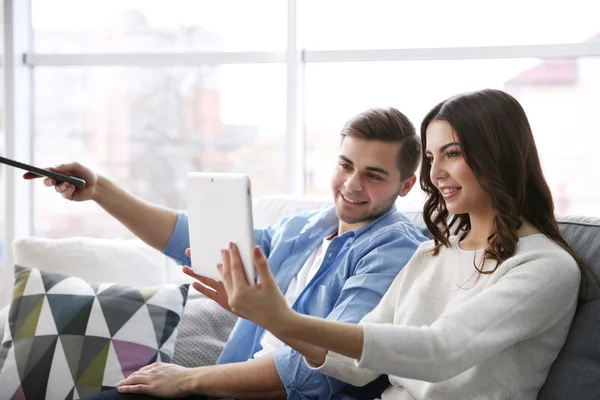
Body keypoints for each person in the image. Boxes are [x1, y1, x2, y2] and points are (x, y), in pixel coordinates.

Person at [27, 107, 428, 399]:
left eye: (373, 175)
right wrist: (100, 191)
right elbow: (192, 237)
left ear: (406, 185)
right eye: (346, 165)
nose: (352, 184)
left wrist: (187, 380)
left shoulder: (393, 250)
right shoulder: (305, 228)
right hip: (226, 385)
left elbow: (324, 369)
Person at [213, 89, 583, 400]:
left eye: (452, 154)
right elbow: (355, 367)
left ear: (497, 155)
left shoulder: (544, 267)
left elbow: (439, 351)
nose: (436, 173)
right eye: (431, 157)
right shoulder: (433, 253)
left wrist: (285, 319)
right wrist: (268, 318)